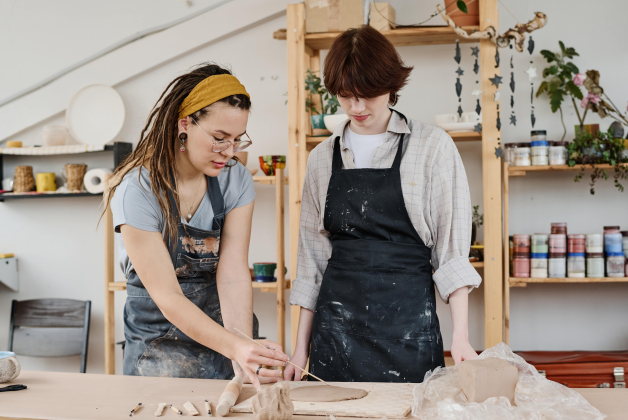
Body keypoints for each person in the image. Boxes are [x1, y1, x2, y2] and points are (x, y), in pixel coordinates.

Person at [284, 26, 481, 383]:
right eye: (345, 96)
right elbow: (312, 261)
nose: (356, 108)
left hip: (408, 330)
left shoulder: (433, 147)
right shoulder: (321, 158)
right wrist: (301, 346)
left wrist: (461, 337)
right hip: (335, 331)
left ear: (391, 85)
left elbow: (452, 255)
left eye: (367, 95)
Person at [105, 64, 288, 389]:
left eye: (236, 140)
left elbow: (232, 274)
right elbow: (168, 296)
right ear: (184, 123)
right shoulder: (137, 191)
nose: (229, 153)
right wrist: (237, 347)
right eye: (219, 139)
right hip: (160, 341)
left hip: (225, 330)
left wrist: (241, 349)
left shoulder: (236, 180)